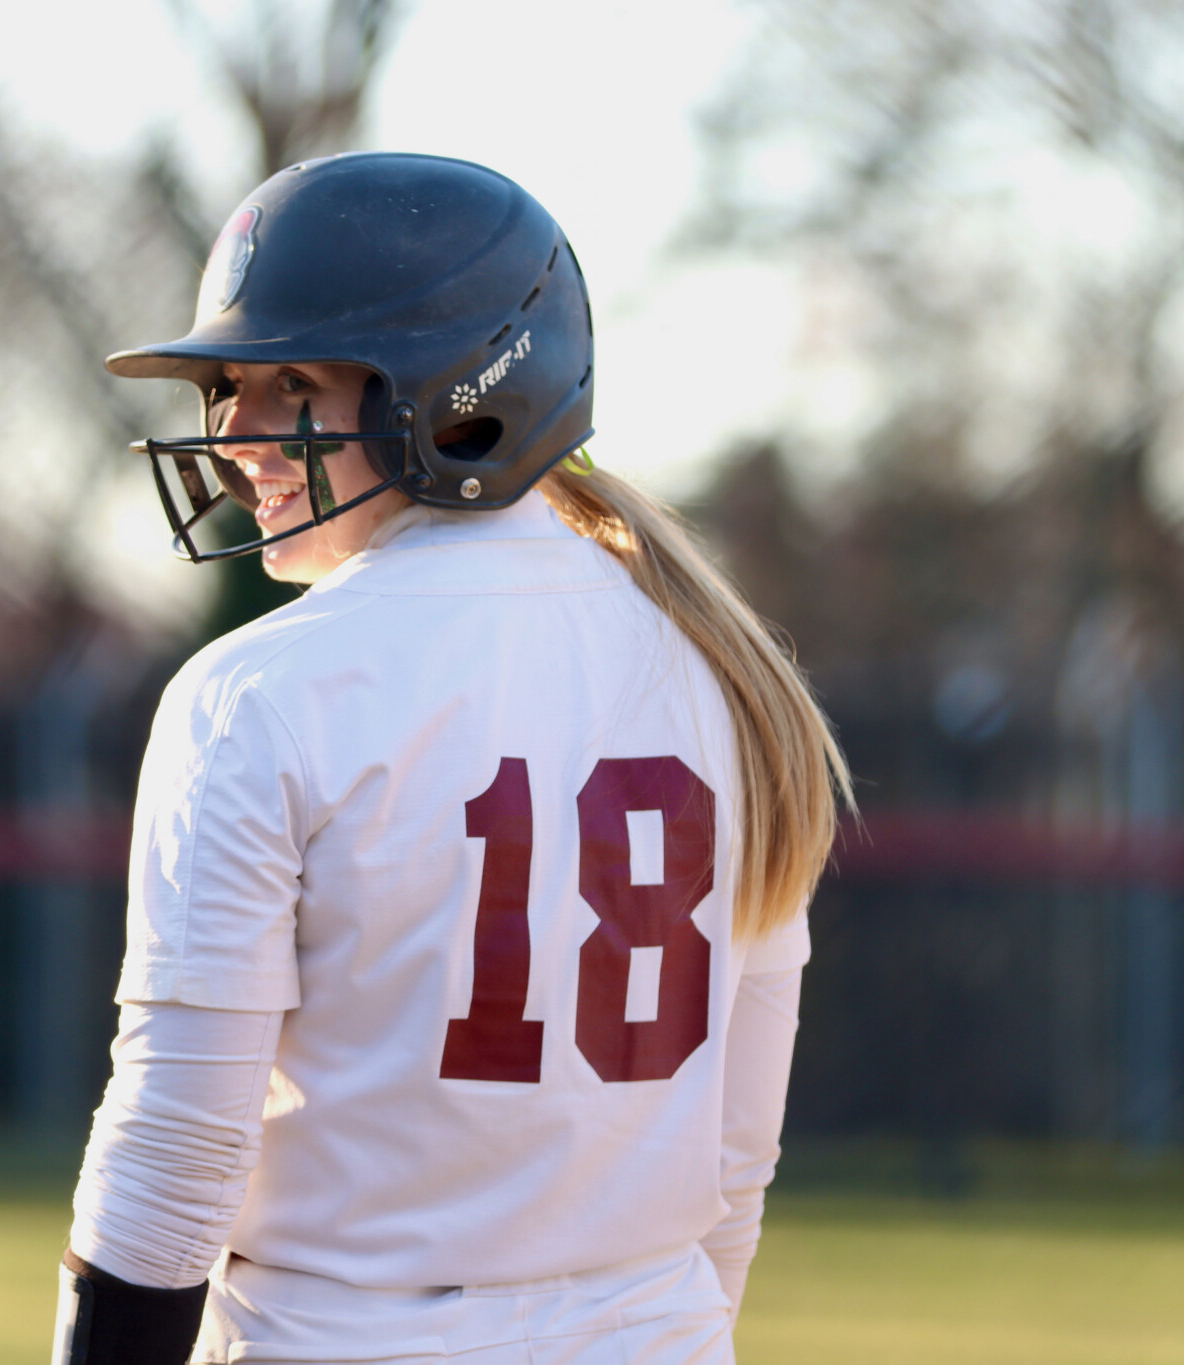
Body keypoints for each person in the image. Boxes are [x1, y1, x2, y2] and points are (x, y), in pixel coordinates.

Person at [52, 152, 852, 1365]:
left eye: (293, 384)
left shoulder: (258, 691)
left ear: (457, 393)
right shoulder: (727, 679)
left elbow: (177, 1148)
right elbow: (735, 1157)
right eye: (226, 387)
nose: (235, 438)